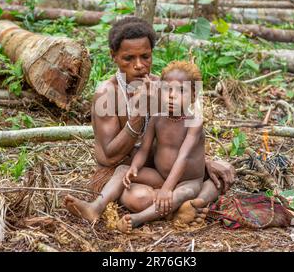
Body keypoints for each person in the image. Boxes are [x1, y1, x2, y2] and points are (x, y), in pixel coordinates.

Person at [65, 17, 236, 225]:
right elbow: (110, 156)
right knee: (139, 198)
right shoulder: (107, 93)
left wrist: (204, 162)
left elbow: (177, 135)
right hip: (119, 172)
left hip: (159, 169)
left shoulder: (163, 87)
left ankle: (185, 203)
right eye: (129, 58)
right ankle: (179, 209)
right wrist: (139, 112)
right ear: (114, 57)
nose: (138, 65)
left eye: (145, 57)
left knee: (224, 170)